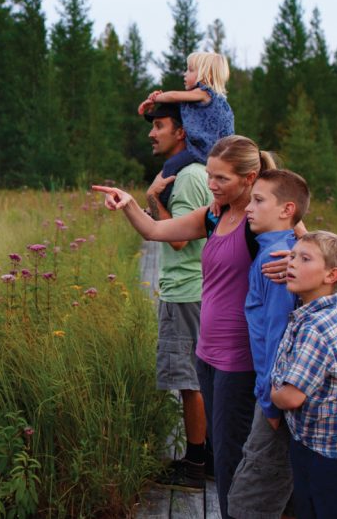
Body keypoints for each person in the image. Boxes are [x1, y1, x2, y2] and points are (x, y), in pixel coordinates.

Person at [92, 135, 287, 519]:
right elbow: (155, 232)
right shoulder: (215, 215)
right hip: (207, 356)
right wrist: (129, 203)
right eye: (210, 176)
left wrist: (293, 261)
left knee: (234, 463)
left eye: (221, 179)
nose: (211, 185)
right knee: (225, 454)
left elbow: (316, 249)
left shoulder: (262, 223)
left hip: (239, 360)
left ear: (250, 178)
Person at [271, 231, 337, 518]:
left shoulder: (316, 327)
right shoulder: (318, 312)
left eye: (304, 259)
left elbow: (291, 397)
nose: (291, 263)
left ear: (332, 275)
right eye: (291, 256)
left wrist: (271, 391)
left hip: (335, 459)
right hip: (314, 446)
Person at [227, 169, 310, 519]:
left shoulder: (277, 260)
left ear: (286, 209)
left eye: (259, 200)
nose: (249, 207)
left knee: (249, 502)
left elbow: (278, 338)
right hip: (275, 392)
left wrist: (271, 404)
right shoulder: (283, 251)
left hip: (276, 396)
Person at [136, 102, 211, 491]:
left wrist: (154, 201)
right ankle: (210, 456)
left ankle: (195, 464)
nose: (152, 133)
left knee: (189, 380)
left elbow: (179, 238)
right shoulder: (196, 174)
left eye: (160, 125)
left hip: (186, 290)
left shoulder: (185, 180)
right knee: (200, 376)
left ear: (182, 131)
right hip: (199, 289)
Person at [138, 52, 234, 208]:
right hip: (216, 151)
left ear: (204, 75)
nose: (185, 74)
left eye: (190, 70)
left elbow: (175, 96)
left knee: (170, 166)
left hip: (204, 150)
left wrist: (154, 99)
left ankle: (159, 203)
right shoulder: (208, 100)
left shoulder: (204, 93)